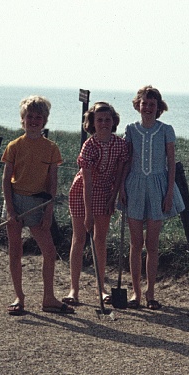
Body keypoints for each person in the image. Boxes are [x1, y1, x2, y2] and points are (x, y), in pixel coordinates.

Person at [1, 95, 73, 316]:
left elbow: (52, 183)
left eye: (38, 117)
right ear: (23, 119)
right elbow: (5, 180)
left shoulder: (51, 148)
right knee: (15, 250)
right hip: (15, 201)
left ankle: (48, 298)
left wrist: (48, 211)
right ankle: (19, 297)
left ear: (44, 120)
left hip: (38, 203)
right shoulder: (14, 146)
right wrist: (11, 210)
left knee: (49, 252)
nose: (33, 121)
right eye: (29, 117)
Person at [118, 86, 185, 310]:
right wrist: (121, 188)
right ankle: (136, 293)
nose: (147, 108)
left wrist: (168, 194)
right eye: (144, 103)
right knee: (135, 244)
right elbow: (126, 161)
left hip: (158, 187)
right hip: (134, 186)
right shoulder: (130, 129)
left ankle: (151, 294)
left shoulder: (166, 130)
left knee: (152, 245)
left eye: (152, 104)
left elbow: (171, 165)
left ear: (158, 108)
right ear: (138, 104)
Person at [63, 102, 129, 306]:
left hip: (105, 192)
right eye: (99, 120)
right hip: (83, 192)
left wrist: (114, 196)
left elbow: (119, 173)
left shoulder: (120, 144)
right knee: (79, 238)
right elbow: (88, 182)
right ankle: (74, 289)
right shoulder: (89, 146)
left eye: (107, 120)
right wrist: (89, 214)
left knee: (100, 240)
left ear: (113, 121)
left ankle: (101, 289)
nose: (104, 124)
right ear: (92, 122)